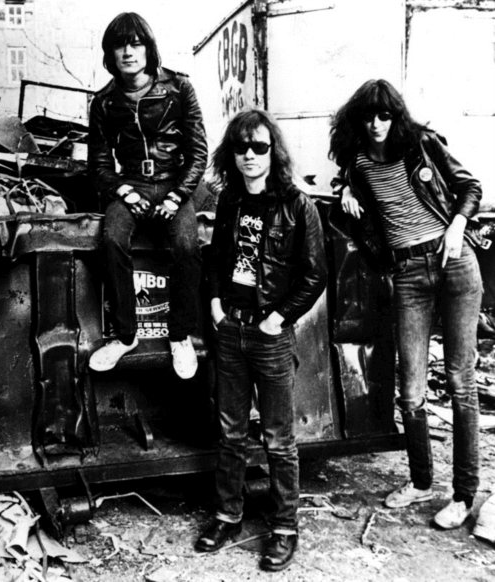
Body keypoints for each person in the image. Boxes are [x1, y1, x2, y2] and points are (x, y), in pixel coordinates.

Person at [329, 79, 482, 529]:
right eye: (368, 117)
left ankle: (463, 495)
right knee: (411, 389)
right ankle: (421, 481)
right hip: (408, 273)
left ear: (396, 117)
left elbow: (470, 187)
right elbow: (347, 183)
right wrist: (346, 191)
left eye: (385, 115)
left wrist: (457, 226)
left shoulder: (422, 146)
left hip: (454, 261)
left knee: (460, 381)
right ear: (357, 120)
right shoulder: (358, 163)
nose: (376, 124)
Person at [196, 110, 327, 571]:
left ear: (274, 152)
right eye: (241, 148)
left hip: (270, 335)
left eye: (259, 147)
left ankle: (284, 528)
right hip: (230, 329)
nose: (250, 155)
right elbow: (215, 258)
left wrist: (278, 317)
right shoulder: (230, 200)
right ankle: (227, 516)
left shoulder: (298, 205)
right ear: (231, 154)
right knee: (230, 432)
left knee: (278, 439)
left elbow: (315, 275)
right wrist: (216, 303)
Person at [87, 12, 208, 379]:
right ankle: (125, 336)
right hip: (131, 185)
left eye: (136, 43)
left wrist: (177, 196)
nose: (128, 52)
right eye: (119, 45)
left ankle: (180, 336)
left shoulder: (179, 88)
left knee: (187, 246)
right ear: (110, 53)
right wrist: (123, 191)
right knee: (111, 239)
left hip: (174, 183)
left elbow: (198, 153)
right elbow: (99, 165)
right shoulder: (104, 102)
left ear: (148, 48)